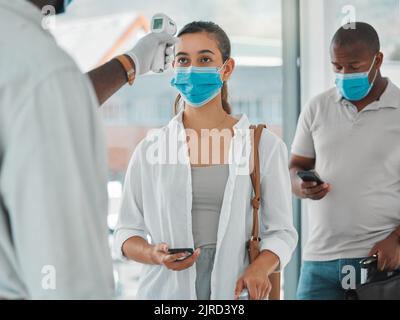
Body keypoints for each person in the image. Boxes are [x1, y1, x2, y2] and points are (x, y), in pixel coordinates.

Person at [0, 0, 176, 299]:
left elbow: (51, 104)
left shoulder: (24, 59)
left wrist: (131, 62)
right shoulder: (43, 70)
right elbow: (66, 278)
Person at [114, 21, 298, 300]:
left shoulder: (264, 147)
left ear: (227, 68)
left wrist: (260, 268)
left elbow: (283, 232)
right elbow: (126, 232)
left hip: (234, 292)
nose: (192, 69)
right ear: (173, 68)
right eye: (183, 60)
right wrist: (153, 254)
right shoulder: (150, 149)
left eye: (205, 59)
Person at [290, 22, 400, 300]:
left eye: (354, 66)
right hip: (318, 262)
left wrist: (397, 239)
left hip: (382, 262)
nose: (344, 74)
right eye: (337, 67)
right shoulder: (317, 106)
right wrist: (300, 185)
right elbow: (296, 166)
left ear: (378, 60)